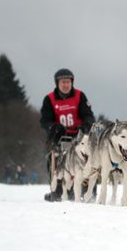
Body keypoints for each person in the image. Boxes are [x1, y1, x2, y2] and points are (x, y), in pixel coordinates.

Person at [40, 68, 95, 201]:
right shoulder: (49, 99)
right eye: (63, 82)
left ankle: (88, 191)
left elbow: (88, 115)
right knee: (53, 159)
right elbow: (45, 120)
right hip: (59, 135)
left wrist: (85, 126)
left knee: (89, 157)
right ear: (57, 83)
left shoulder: (79, 96)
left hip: (79, 135)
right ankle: (57, 191)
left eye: (68, 82)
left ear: (72, 82)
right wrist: (53, 126)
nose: (66, 85)